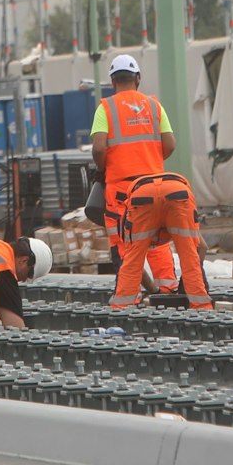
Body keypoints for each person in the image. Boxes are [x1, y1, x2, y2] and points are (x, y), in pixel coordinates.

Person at [89, 55, 180, 293]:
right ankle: (167, 291)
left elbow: (98, 148)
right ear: (137, 78)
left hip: (121, 192)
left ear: (112, 81)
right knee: (157, 242)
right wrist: (149, 160)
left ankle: (130, 296)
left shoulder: (105, 108)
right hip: (154, 186)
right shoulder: (154, 106)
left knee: (124, 245)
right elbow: (170, 144)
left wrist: (104, 168)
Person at [108, 170, 213, 311]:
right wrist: (186, 284)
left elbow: (133, 265)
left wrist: (154, 291)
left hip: (142, 197)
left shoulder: (129, 225)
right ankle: (202, 308)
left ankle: (121, 309)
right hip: (178, 193)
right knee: (190, 257)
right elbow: (202, 248)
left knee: (132, 262)